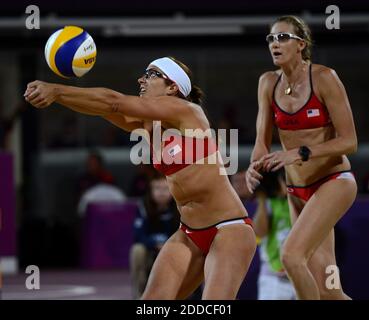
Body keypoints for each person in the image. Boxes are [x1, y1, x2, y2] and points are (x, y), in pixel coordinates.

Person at [24, 56, 256, 300]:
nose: (141, 79)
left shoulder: (187, 111)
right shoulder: (151, 126)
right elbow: (103, 108)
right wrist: (58, 98)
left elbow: (114, 102)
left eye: (151, 74)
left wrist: (56, 88)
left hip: (228, 230)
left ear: (172, 87)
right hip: (189, 233)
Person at [246, 16, 357, 300]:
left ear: (301, 45)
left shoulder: (324, 77)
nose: (275, 44)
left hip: (333, 181)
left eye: (283, 38)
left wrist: (301, 152)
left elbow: (349, 141)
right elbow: (261, 142)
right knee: (328, 291)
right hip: (297, 191)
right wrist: (254, 168)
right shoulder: (267, 83)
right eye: (271, 39)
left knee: (291, 256)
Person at [130, 173, 179, 299]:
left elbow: (183, 232)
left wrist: (168, 246)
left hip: (173, 248)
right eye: (157, 188)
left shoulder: (179, 207)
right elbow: (138, 235)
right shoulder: (143, 207)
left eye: (165, 189)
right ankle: (140, 294)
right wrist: (154, 244)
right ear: (151, 190)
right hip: (150, 248)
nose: (161, 192)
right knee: (137, 250)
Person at [253, 170, 295, 300]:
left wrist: (292, 194)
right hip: (273, 276)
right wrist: (261, 199)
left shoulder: (301, 201)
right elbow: (259, 232)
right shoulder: (269, 203)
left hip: (302, 273)